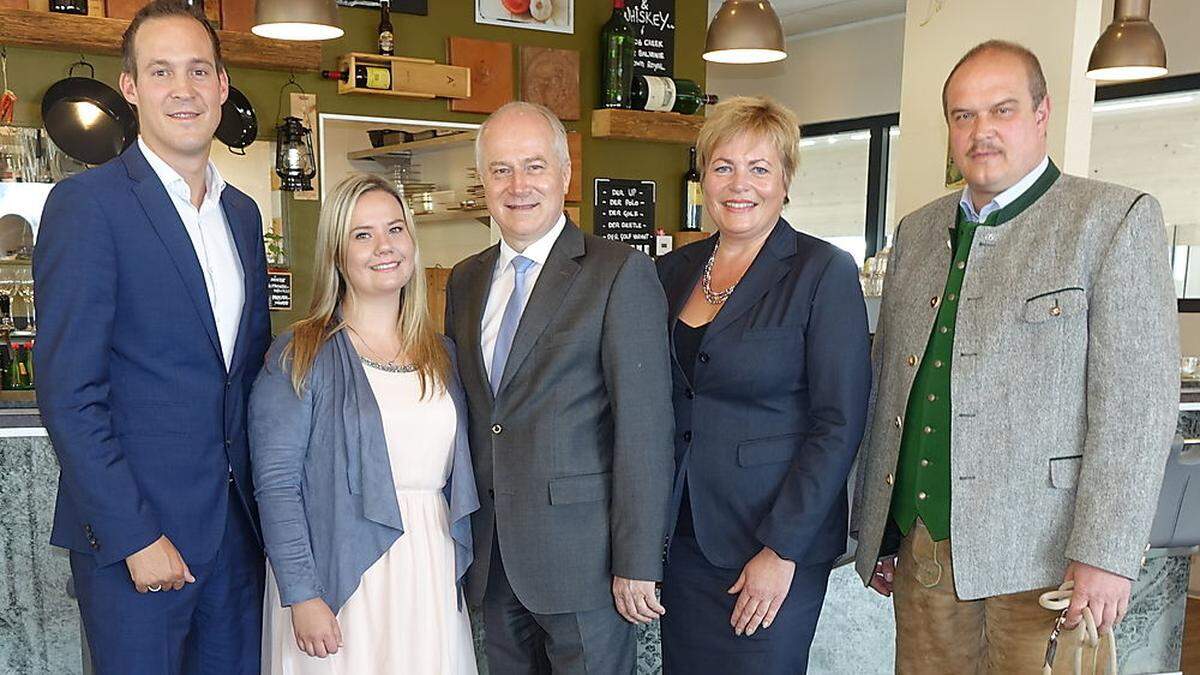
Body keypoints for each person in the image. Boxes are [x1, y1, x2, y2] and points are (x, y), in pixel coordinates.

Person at [851, 40, 1179, 672]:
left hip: (1048, 558)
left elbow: (1136, 411)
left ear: (1041, 114)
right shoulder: (918, 232)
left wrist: (1107, 554)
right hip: (928, 550)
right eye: (963, 115)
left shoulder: (1110, 220)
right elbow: (891, 384)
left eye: (1001, 110)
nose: (981, 132)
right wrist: (882, 527)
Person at [32, 2, 272, 672]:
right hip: (135, 542)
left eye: (199, 70)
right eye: (161, 71)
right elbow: (70, 395)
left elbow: (248, 377)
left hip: (236, 538)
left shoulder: (242, 215)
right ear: (131, 87)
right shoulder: (89, 207)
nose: (184, 89)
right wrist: (136, 536)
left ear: (223, 85)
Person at [442, 101, 674, 673]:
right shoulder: (465, 280)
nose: (517, 185)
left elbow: (645, 428)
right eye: (500, 170)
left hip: (587, 564)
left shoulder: (618, 271)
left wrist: (638, 559)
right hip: (493, 559)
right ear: (483, 181)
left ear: (565, 173)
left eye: (533, 166)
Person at [654, 96, 872, 673]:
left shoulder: (822, 270)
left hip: (771, 543)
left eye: (759, 168)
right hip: (683, 537)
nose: (739, 184)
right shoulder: (673, 270)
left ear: (785, 181)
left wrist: (782, 549)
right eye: (723, 166)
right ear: (703, 178)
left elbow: (839, 423)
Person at [250, 173, 479, 674]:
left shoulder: (442, 355)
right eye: (362, 234)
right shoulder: (300, 354)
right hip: (339, 578)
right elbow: (277, 486)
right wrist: (302, 594)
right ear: (337, 253)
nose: (384, 247)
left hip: (428, 568)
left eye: (395, 230)